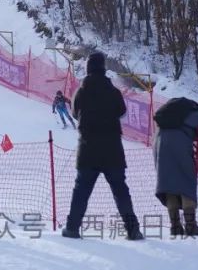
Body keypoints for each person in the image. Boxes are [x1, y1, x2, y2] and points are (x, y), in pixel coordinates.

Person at [61, 52, 143, 240]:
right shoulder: (113, 92)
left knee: (81, 190)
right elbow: (122, 111)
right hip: (112, 149)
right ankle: (133, 230)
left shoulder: (81, 92)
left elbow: (74, 113)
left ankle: (72, 228)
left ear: (88, 68)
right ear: (104, 69)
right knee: (120, 191)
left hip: (88, 149)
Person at [154, 97, 198, 236]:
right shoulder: (197, 114)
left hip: (158, 144)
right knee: (187, 182)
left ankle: (175, 226)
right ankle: (191, 226)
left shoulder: (167, 114)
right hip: (179, 147)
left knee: (169, 185)